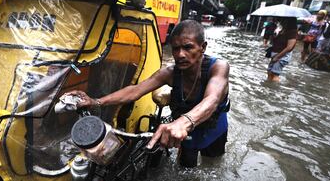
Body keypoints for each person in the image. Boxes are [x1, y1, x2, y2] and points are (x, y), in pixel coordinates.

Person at [66, 20, 230, 167]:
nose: (180, 54)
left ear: (203, 47)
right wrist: (96, 101)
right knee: (187, 168)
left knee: (213, 164)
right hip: (185, 132)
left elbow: (212, 99)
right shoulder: (170, 73)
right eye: (176, 49)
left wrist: (183, 122)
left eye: (188, 47)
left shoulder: (218, 67)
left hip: (213, 129)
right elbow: (135, 90)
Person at [267, 17, 297, 82]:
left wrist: (278, 57)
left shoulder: (292, 32)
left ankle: (273, 90)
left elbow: (289, 47)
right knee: (269, 71)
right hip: (275, 53)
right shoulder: (282, 29)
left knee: (275, 74)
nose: (281, 21)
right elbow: (274, 41)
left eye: (283, 19)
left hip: (282, 55)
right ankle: (268, 87)